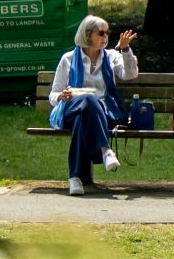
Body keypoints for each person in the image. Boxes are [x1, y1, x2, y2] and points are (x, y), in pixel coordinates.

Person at [49, 16, 128, 195]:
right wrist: (61, 96)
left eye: (107, 32)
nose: (105, 36)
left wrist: (126, 49)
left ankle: (75, 178)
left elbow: (130, 74)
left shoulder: (111, 56)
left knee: (83, 119)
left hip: (98, 115)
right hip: (69, 109)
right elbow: (52, 96)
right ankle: (105, 150)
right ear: (87, 34)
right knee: (89, 99)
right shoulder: (68, 59)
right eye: (100, 33)